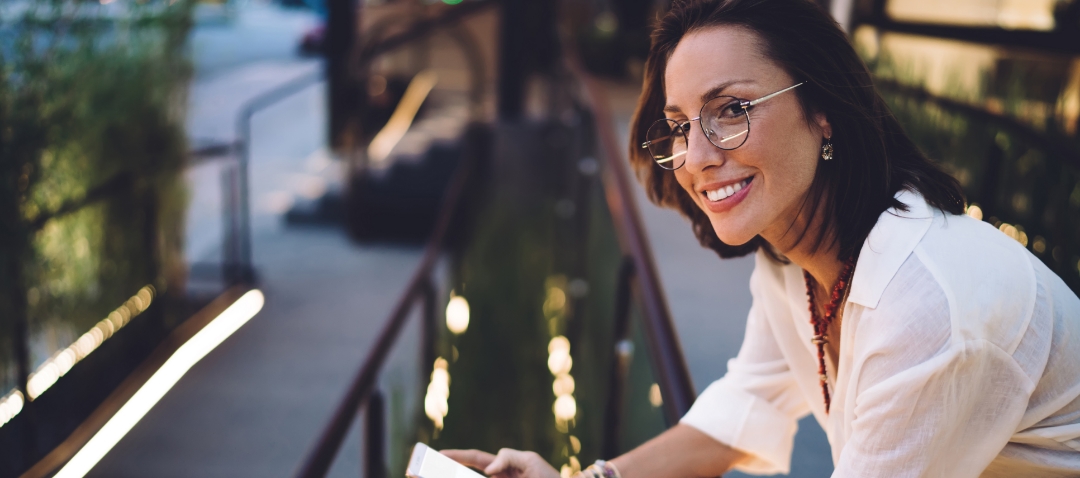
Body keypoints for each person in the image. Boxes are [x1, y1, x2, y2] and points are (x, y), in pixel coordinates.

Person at [445, 0, 1080, 476]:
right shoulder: (794, 254)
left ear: (823, 107)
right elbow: (745, 404)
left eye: (732, 109)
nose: (694, 156)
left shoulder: (930, 309)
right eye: (678, 125)